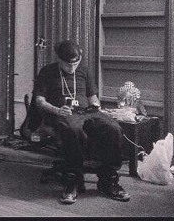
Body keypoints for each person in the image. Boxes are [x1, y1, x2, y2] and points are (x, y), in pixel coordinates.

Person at [33, 39, 130, 205]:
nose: (72, 68)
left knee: (113, 128)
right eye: (68, 64)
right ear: (59, 59)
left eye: (75, 63)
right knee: (72, 129)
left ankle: (108, 180)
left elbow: (92, 97)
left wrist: (96, 105)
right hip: (61, 114)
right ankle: (74, 181)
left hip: (87, 112)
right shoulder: (47, 72)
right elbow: (39, 101)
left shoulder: (84, 70)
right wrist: (57, 110)